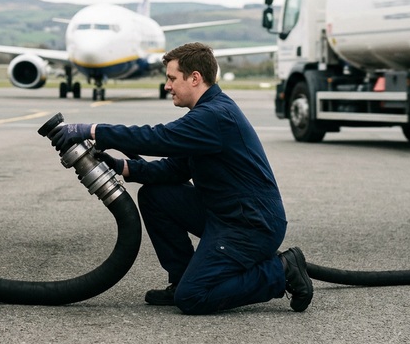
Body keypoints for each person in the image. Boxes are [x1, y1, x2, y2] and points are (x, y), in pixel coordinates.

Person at [49, 42, 313, 315]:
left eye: (172, 78)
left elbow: (159, 137)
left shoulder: (214, 116)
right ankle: (183, 276)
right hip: (226, 213)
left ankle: (281, 271)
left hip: (250, 224)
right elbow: (175, 170)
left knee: (193, 297)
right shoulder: (206, 114)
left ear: (195, 78)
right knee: (155, 196)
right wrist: (122, 166)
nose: (167, 86)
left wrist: (91, 130)